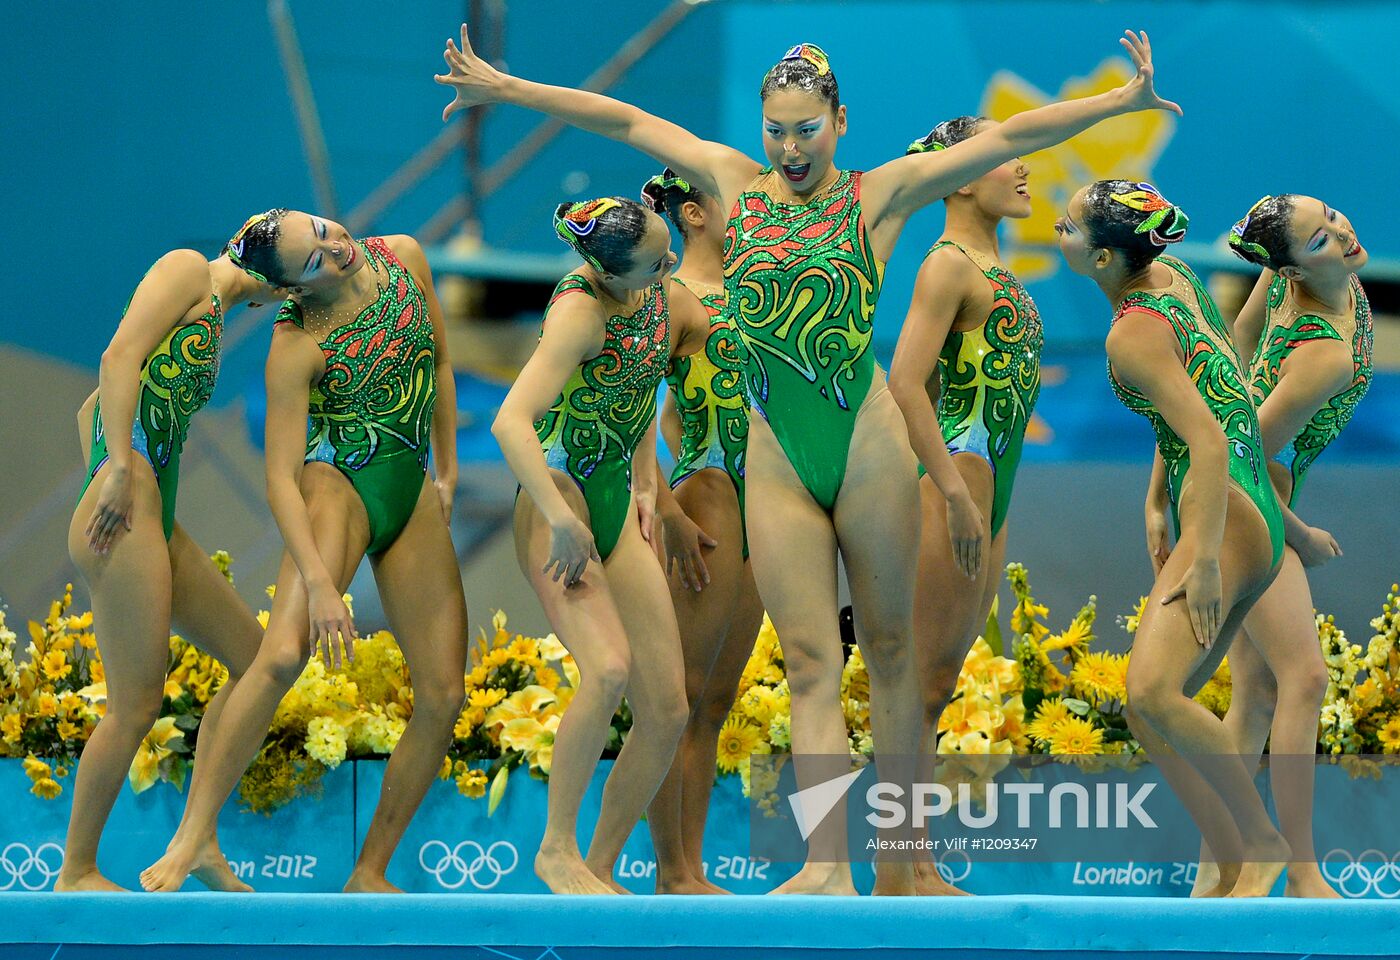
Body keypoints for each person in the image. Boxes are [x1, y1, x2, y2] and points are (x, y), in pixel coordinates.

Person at [438, 26, 1178, 894]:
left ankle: (901, 868)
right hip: (778, 456)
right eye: (777, 129)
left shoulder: (880, 195)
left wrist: (1121, 103)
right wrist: (512, 90)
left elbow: (1010, 137)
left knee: (893, 656)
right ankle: (827, 865)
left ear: (840, 120)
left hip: (866, 447)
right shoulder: (729, 181)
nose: (790, 148)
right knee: (811, 661)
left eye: (807, 129)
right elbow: (628, 121)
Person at [141, 210, 467, 893]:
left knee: (442, 695)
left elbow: (437, 357)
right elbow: (279, 479)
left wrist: (447, 468)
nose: (334, 247)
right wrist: (320, 583)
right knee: (282, 654)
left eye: (323, 230)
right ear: (290, 290)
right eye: (312, 259)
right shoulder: (296, 344)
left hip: (408, 487)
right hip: (338, 486)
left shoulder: (403, 256)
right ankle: (194, 836)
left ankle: (371, 870)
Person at [1057, 180, 1290, 897]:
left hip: (1226, 512)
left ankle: (1262, 841)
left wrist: (1209, 558)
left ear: (1101, 259)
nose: (1057, 234)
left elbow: (1209, 442)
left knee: (1153, 693)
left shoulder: (1129, 334)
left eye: (1067, 230)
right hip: (1246, 503)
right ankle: (1225, 861)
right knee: (1151, 706)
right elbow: (1202, 398)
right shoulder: (1174, 274)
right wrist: (1157, 497)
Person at [494, 196, 712, 894]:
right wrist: (558, 515)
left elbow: (640, 378)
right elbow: (510, 423)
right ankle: (555, 848)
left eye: (667, 247)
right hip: (560, 495)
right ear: (604, 268)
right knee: (609, 670)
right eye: (656, 261)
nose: (671, 262)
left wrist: (649, 481)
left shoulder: (649, 292)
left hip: (615, 500)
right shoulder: (579, 314)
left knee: (668, 709)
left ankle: (600, 864)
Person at [59, 251, 267, 892]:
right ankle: (76, 870)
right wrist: (116, 470)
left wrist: (114, 459)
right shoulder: (187, 270)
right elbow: (116, 359)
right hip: (128, 507)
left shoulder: (219, 307)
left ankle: (198, 836)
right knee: (135, 706)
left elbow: (88, 408)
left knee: (258, 659)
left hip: (152, 511)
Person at [1185, 195, 1371, 897]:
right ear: (1292, 267)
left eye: (1334, 216)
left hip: (1251, 495)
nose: (1343, 235)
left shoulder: (1323, 276)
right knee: (1305, 678)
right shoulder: (1325, 359)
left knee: (1257, 697)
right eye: (1320, 238)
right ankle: (1301, 872)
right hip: (1244, 505)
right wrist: (1300, 536)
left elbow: (1238, 329)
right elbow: (1240, 454)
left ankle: (1216, 874)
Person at [887, 116, 1042, 895]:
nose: (1020, 172)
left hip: (994, 482)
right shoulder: (947, 266)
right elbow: (904, 383)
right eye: (1002, 159)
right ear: (958, 178)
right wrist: (950, 488)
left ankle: (917, 857)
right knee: (916, 680)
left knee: (942, 678)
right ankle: (903, 861)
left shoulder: (994, 267)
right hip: (961, 474)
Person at [641, 169, 765, 894]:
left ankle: (692, 866)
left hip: (759, 511)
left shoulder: (752, 299)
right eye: (736, 199)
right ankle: (670, 871)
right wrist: (666, 506)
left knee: (715, 699)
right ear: (695, 213)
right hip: (709, 501)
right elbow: (629, 408)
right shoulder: (674, 298)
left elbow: (670, 413)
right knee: (679, 695)